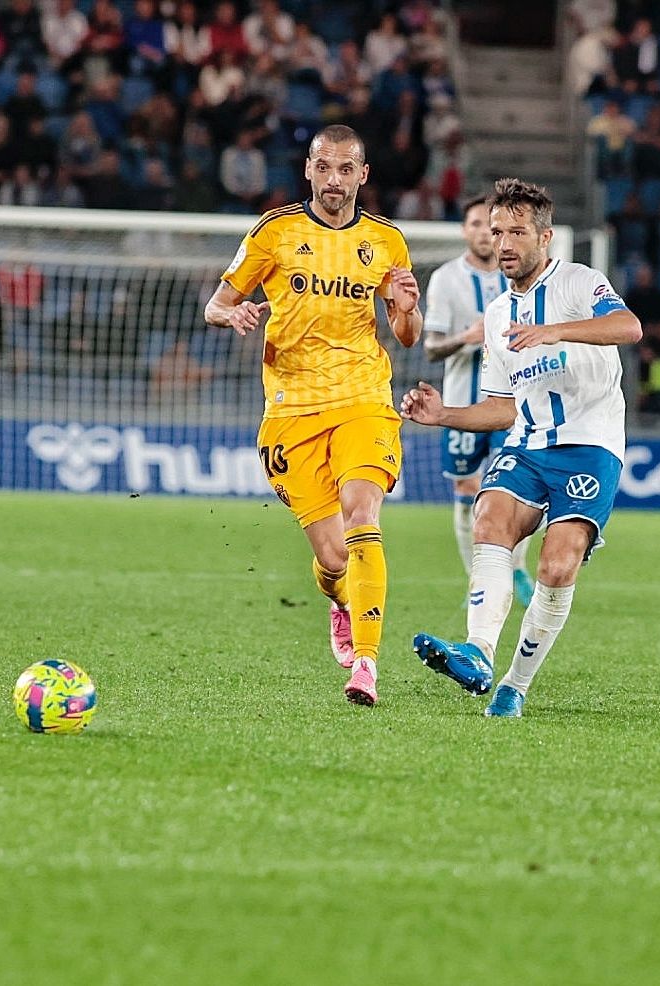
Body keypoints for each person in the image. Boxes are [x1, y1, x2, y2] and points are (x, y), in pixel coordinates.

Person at [400, 178, 642, 717]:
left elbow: (629, 327)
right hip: (528, 443)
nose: (504, 243)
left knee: (557, 569)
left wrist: (557, 330)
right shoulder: (497, 317)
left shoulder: (580, 281)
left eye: (516, 232)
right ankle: (478, 653)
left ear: (545, 237)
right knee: (488, 518)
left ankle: (516, 683)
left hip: (591, 446)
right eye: (496, 231)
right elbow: (502, 407)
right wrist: (444, 416)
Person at [203, 124, 423, 708]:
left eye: (346, 169)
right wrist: (236, 316)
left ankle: (368, 666)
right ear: (308, 169)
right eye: (324, 167)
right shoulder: (275, 232)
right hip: (292, 412)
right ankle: (339, 600)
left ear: (363, 175)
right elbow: (215, 304)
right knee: (331, 560)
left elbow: (405, 334)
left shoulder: (387, 242)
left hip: (363, 400)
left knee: (362, 512)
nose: (334, 180)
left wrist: (406, 309)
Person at [422, 195, 537, 607]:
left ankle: (517, 566)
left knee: (518, 490)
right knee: (468, 488)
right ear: (464, 230)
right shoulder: (446, 279)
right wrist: (467, 338)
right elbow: (431, 348)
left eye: (489, 226)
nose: (482, 233)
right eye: (473, 224)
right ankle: (478, 579)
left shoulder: (522, 275)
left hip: (517, 407)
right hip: (461, 404)